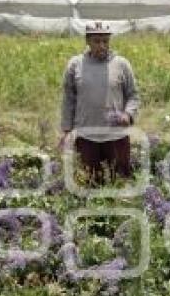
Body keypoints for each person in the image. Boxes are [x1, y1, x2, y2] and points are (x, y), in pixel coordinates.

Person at [60, 21, 140, 185]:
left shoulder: (121, 64)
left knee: (119, 182)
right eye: (97, 41)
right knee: (90, 183)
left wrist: (128, 114)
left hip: (116, 137)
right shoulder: (75, 64)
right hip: (87, 136)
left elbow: (133, 95)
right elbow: (69, 99)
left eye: (105, 41)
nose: (102, 45)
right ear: (87, 41)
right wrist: (67, 130)